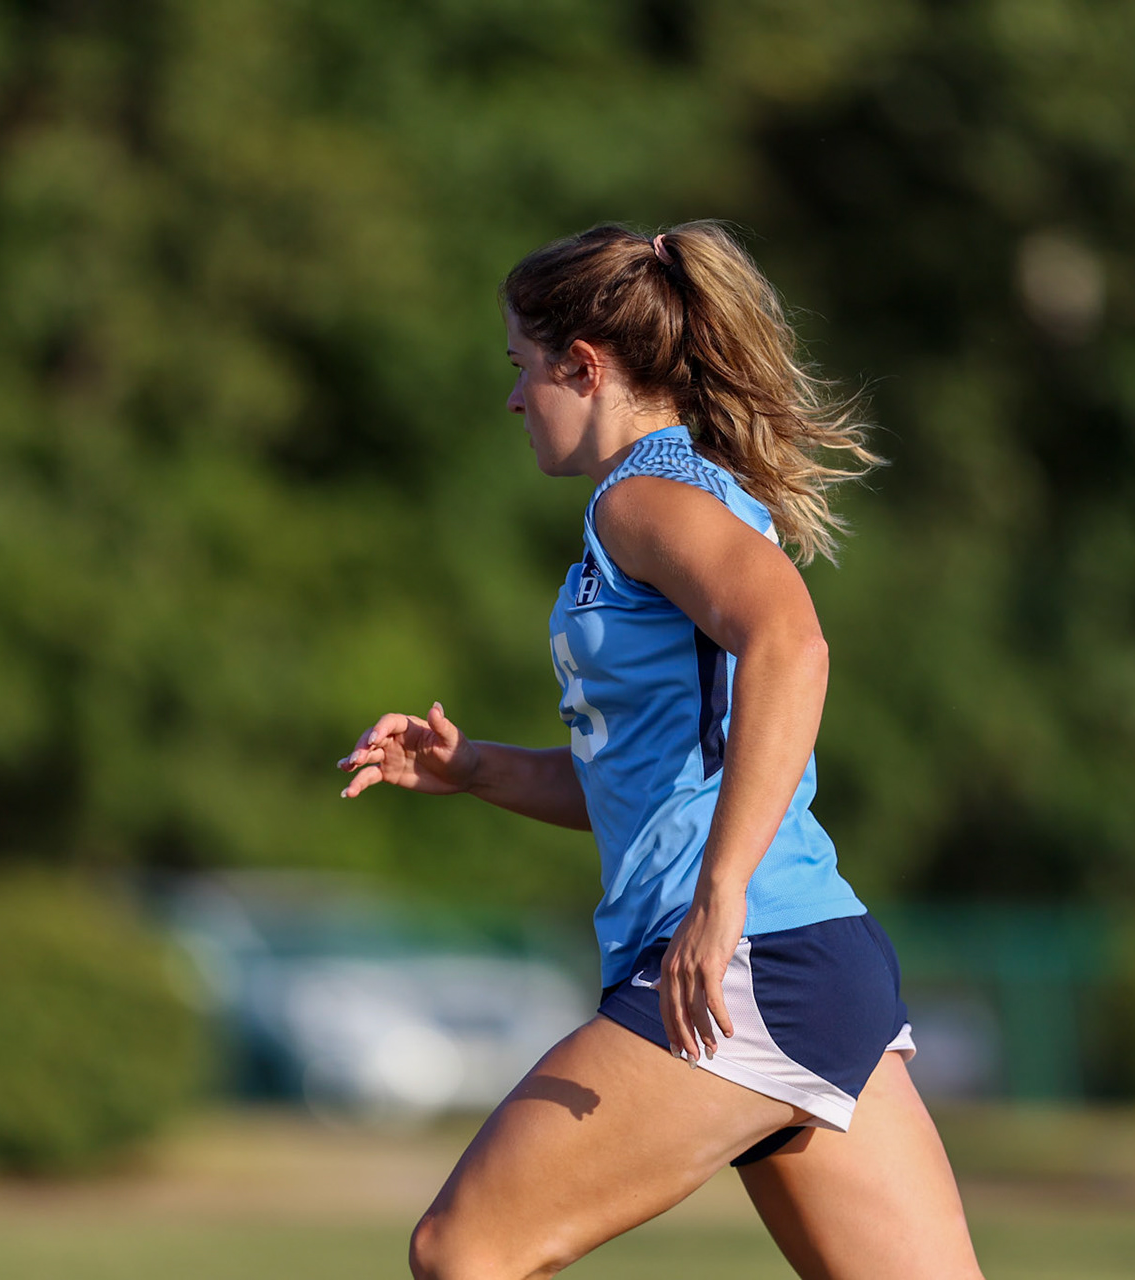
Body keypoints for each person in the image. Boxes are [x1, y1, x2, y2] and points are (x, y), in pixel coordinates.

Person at [338, 222, 982, 1279]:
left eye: (521, 369)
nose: (512, 400)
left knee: (466, 1248)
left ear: (582, 367)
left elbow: (792, 643)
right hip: (806, 960)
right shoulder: (664, 495)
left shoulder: (642, 495)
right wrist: (477, 767)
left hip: (750, 959)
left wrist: (719, 897)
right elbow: (658, 777)